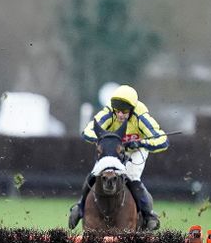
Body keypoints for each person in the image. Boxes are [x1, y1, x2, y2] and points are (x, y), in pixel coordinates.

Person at [67, 84, 169, 231]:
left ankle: (148, 215)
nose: (120, 115)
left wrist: (140, 142)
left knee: (131, 176)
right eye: (118, 111)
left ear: (132, 109)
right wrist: (106, 138)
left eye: (125, 112)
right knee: (96, 173)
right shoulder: (109, 112)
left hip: (136, 150)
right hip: (114, 148)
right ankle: (80, 207)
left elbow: (163, 141)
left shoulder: (142, 117)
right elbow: (87, 132)